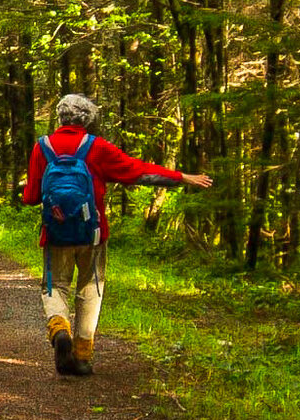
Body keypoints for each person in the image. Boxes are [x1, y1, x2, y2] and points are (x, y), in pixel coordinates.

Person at [20, 93, 213, 377]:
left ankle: (59, 329)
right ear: (88, 118)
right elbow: (137, 171)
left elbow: (31, 197)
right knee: (90, 289)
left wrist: (29, 193)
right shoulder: (96, 147)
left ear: (60, 116)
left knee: (55, 285)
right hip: (93, 234)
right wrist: (180, 177)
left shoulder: (42, 147)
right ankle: (81, 355)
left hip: (56, 233)